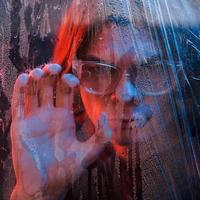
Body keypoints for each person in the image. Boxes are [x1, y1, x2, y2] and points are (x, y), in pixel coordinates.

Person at [10, 0, 200, 199]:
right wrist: (38, 193)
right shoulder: (68, 163)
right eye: (98, 69)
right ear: (73, 78)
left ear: (184, 76)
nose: (125, 95)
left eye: (150, 68)